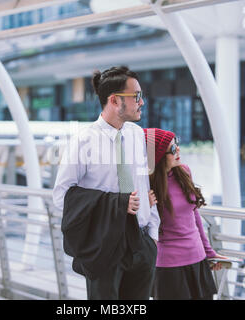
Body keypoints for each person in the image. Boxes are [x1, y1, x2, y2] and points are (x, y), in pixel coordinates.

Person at [53, 66, 160, 300]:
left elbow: (143, 184)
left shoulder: (138, 135)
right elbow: (62, 197)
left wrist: (153, 235)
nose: (142, 102)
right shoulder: (83, 141)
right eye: (137, 96)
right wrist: (112, 205)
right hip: (105, 245)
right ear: (114, 100)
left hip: (141, 243)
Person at [144, 128, 227, 300]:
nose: (178, 150)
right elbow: (140, 228)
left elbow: (194, 215)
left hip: (197, 259)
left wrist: (209, 252)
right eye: (172, 149)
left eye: (177, 145)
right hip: (168, 267)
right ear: (158, 157)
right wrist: (145, 206)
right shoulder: (146, 187)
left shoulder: (184, 171)